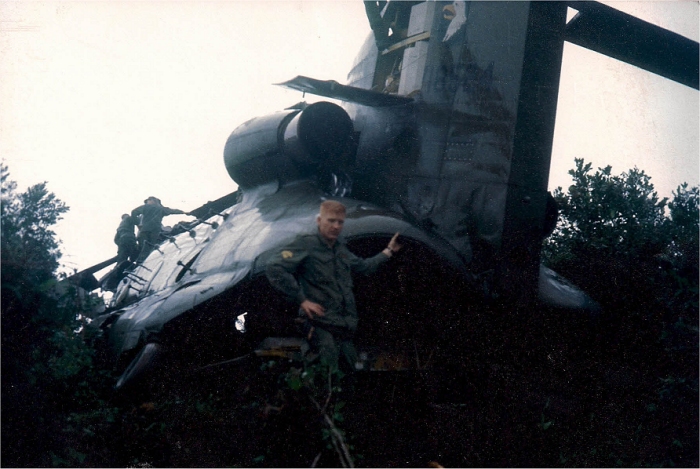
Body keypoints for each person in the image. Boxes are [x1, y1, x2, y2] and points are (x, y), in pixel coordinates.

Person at [266, 200, 402, 372]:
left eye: (340, 222)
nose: (336, 226)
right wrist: (302, 300)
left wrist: (388, 251)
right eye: (331, 221)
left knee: (351, 373)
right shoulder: (306, 244)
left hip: (342, 327)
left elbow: (364, 267)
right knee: (327, 375)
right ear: (319, 221)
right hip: (321, 325)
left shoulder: (340, 249)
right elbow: (275, 267)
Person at [131, 196, 190, 262]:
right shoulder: (161, 208)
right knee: (151, 247)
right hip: (155, 231)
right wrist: (183, 212)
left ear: (151, 200)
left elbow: (133, 212)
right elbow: (173, 211)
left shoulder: (145, 207)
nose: (147, 202)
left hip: (144, 230)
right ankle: (147, 261)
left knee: (144, 248)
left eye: (148, 201)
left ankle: (140, 263)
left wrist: (137, 224)